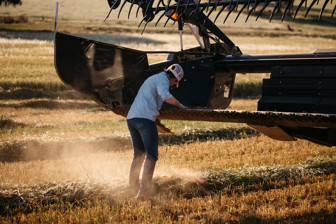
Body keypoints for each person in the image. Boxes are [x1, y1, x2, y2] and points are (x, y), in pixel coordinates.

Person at [126, 64, 187, 200]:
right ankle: (144, 193)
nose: (173, 85)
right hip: (145, 119)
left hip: (132, 118)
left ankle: (132, 189)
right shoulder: (163, 80)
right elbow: (166, 96)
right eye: (175, 83)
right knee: (151, 156)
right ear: (174, 79)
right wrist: (180, 105)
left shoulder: (153, 78)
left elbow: (153, 102)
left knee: (138, 155)